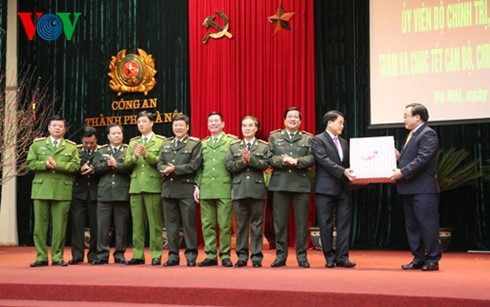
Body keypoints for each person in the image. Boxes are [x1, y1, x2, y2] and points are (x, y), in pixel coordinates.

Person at [390, 103, 441, 271]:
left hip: (423, 189)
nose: (403, 119)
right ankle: (418, 258)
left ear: (417, 117)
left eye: (406, 116)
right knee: (412, 225)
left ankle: (432, 259)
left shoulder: (428, 134)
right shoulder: (412, 135)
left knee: (427, 224)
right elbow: (411, 158)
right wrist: (398, 157)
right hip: (409, 188)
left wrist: (402, 172)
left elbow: (423, 159)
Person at [26, 115, 80, 267]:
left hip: (62, 190)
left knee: (59, 227)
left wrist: (58, 165)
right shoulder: (37, 145)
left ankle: (57, 257)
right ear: (49, 128)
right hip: (41, 189)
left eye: (60, 126)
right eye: (54, 125)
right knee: (39, 227)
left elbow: (76, 166)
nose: (57, 128)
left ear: (65, 129)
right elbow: (29, 163)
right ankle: (41, 257)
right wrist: (44, 164)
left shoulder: (71, 146)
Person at [268, 107, 315, 268]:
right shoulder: (274, 137)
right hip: (280, 184)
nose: (293, 119)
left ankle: (302, 256)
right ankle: (281, 256)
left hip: (300, 184)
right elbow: (270, 157)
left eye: (296, 117)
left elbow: (313, 157)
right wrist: (283, 161)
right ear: (284, 120)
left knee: (302, 223)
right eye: (290, 117)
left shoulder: (308, 138)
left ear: (300, 121)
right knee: (280, 223)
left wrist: (297, 161)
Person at [311, 110, 356, 269]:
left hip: (343, 188)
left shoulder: (344, 142)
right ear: (330, 123)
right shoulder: (317, 140)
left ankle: (343, 257)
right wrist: (342, 171)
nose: (342, 126)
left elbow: (349, 162)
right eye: (340, 122)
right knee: (326, 224)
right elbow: (323, 160)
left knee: (344, 224)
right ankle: (329, 257)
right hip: (325, 188)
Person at [157, 114, 202, 267]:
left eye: (181, 125)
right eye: (175, 125)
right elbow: (160, 163)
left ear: (187, 127)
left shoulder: (194, 144)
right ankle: (173, 256)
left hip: (185, 189)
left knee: (189, 225)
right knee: (171, 226)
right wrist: (164, 169)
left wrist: (174, 169)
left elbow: (194, 165)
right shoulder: (166, 143)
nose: (178, 128)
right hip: (169, 190)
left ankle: (191, 256)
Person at [225, 116, 270, 268]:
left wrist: (251, 160)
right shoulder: (233, 146)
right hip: (239, 189)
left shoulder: (263, 146)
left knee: (257, 225)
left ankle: (256, 257)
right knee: (241, 226)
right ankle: (242, 257)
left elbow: (266, 165)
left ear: (256, 128)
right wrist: (242, 162)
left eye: (250, 125)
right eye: (244, 125)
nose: (247, 128)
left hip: (257, 189)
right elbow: (229, 166)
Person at [194, 112, 236, 268]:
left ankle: (225, 255)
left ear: (223, 124)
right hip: (206, 188)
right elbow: (199, 168)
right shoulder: (203, 144)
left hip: (224, 188)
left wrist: (233, 187)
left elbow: (234, 167)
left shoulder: (231, 142)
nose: (213, 124)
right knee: (207, 224)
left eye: (216, 121)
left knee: (225, 224)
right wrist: (197, 186)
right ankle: (210, 255)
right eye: (210, 121)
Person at [124, 111, 165, 265]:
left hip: (153, 186)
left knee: (155, 223)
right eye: (139, 122)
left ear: (151, 123)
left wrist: (147, 155)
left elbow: (161, 162)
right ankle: (138, 254)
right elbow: (126, 164)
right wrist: (134, 157)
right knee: (137, 223)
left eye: (144, 122)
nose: (141, 124)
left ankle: (156, 254)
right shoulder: (133, 141)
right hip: (135, 186)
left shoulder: (160, 141)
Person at [92, 124, 131, 265]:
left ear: (122, 135)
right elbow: (95, 169)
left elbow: (131, 169)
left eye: (119, 133)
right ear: (108, 136)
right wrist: (107, 165)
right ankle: (102, 254)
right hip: (104, 193)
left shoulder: (128, 150)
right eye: (113, 133)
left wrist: (117, 165)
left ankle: (119, 254)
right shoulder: (101, 150)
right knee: (102, 226)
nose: (116, 136)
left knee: (121, 227)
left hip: (122, 192)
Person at [69, 126, 99, 265]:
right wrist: (79, 169)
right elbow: (70, 168)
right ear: (82, 140)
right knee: (77, 225)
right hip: (78, 193)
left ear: (96, 140)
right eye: (86, 142)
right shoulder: (76, 151)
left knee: (95, 226)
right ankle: (77, 254)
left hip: (95, 193)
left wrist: (93, 169)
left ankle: (93, 255)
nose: (88, 145)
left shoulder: (101, 151)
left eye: (91, 143)